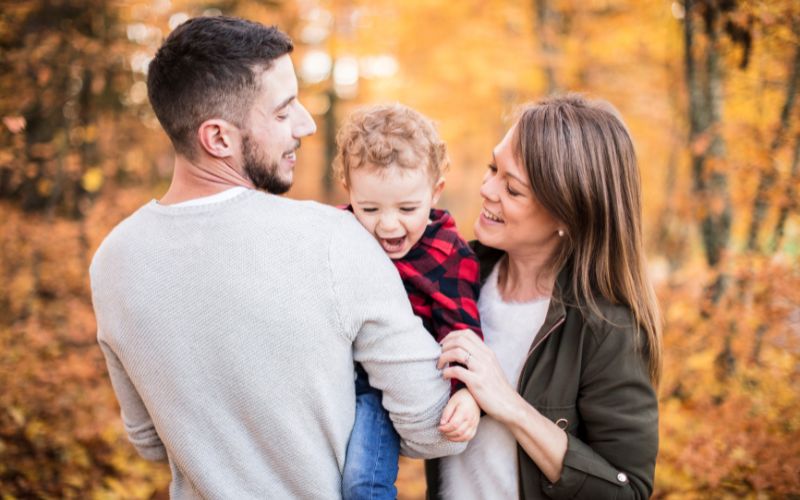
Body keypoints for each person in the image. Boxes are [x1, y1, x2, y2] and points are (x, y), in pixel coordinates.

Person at [89, 16, 466, 498]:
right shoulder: (335, 238)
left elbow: (149, 441)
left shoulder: (112, 259)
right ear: (218, 138)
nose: (306, 125)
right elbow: (434, 428)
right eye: (285, 111)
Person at [427, 94, 662, 499]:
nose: (486, 189)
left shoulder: (607, 326)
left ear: (567, 215)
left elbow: (629, 492)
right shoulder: (453, 274)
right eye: (491, 168)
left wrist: (509, 404)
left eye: (512, 189)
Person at [334, 104, 484, 499]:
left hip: (380, 392)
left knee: (362, 482)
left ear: (434, 192)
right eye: (369, 208)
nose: (387, 224)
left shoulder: (448, 254)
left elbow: (463, 334)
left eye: (406, 208)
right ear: (349, 191)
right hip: (327, 377)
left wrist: (468, 396)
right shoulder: (336, 235)